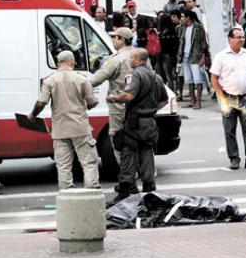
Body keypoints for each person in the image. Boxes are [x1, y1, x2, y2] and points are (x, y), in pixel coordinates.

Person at [29, 51, 100, 189]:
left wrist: (32, 115)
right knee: (88, 162)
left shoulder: (49, 81)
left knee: (63, 165)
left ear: (57, 64)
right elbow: (92, 102)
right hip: (80, 128)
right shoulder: (82, 79)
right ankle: (92, 190)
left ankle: (67, 192)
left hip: (60, 129)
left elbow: (41, 103)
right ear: (72, 62)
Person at [107, 48, 168, 202]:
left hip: (135, 122)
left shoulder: (136, 74)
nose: (129, 60)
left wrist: (113, 98)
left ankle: (125, 190)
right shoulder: (156, 77)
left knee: (128, 153)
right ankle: (149, 189)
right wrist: (151, 110)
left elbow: (128, 95)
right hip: (150, 122)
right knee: (147, 153)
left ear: (140, 60)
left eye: (132, 58)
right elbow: (164, 100)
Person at [211, 28, 246, 171]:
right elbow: (214, 78)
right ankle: (234, 158)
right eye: (238, 37)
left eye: (243, 37)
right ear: (230, 39)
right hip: (228, 98)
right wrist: (221, 96)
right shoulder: (221, 56)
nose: (241, 39)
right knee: (229, 131)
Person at [90, 27, 135, 166]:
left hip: (119, 105)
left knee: (117, 139)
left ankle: (126, 171)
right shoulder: (139, 56)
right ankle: (137, 169)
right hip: (137, 105)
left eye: (115, 37)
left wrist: (80, 84)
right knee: (135, 138)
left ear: (122, 40)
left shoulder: (116, 59)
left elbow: (97, 78)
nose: (113, 40)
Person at [177, 9, 209, 109]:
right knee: (188, 79)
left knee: (197, 79)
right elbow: (181, 42)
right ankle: (192, 100)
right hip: (185, 56)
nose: (181, 18)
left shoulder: (198, 27)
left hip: (196, 56)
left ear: (188, 17)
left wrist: (203, 57)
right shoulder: (182, 28)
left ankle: (198, 102)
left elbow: (203, 43)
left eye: (182, 16)